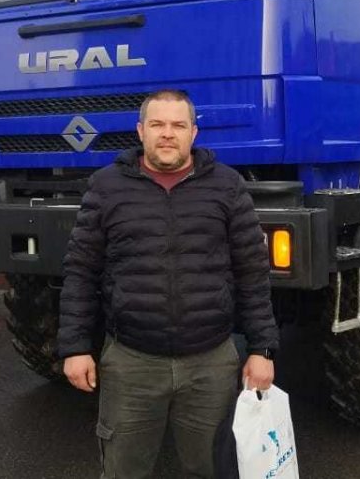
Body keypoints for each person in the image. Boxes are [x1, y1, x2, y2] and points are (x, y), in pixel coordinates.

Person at [58, 89, 279, 479]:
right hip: (132, 363)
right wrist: (75, 348)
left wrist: (262, 348)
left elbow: (252, 271)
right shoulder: (107, 187)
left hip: (210, 363)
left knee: (213, 468)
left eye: (178, 125)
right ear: (140, 131)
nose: (167, 134)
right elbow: (81, 271)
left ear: (193, 133)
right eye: (157, 124)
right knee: (123, 470)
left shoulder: (226, 186)